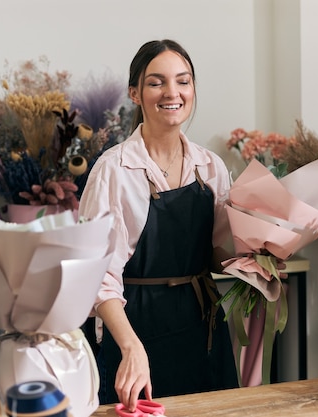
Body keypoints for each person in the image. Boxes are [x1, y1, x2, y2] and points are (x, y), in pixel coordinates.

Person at [78, 39, 240, 411]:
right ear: (135, 92)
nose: (172, 92)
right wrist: (130, 347)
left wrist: (258, 260)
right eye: (156, 82)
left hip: (203, 327)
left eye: (183, 81)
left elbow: (215, 254)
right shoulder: (113, 170)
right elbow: (97, 276)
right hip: (135, 327)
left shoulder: (210, 166)